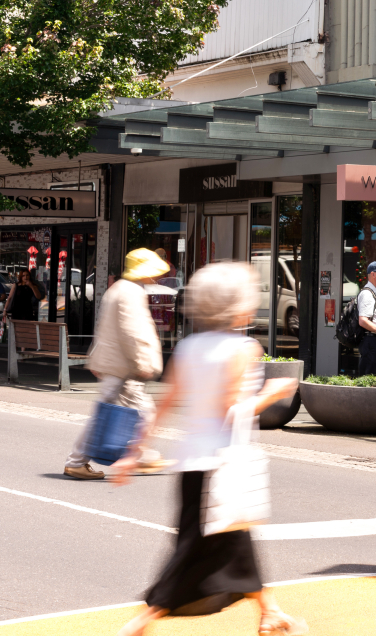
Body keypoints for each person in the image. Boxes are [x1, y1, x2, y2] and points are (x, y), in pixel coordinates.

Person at [110, 262, 304, 636]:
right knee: (199, 552)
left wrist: (134, 451)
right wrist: (272, 393)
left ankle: (270, 612)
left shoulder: (188, 346)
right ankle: (141, 622)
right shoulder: (244, 347)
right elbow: (230, 410)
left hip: (191, 464)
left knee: (233, 543)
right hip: (222, 465)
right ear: (237, 305)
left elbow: (167, 403)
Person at [64, 249, 170, 481]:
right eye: (154, 272)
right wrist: (142, 362)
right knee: (142, 413)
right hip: (124, 366)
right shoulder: (132, 292)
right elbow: (132, 332)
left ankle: (138, 456)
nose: (157, 277)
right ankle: (138, 457)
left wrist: (95, 355)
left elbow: (106, 328)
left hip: (116, 364)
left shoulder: (119, 289)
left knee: (116, 414)